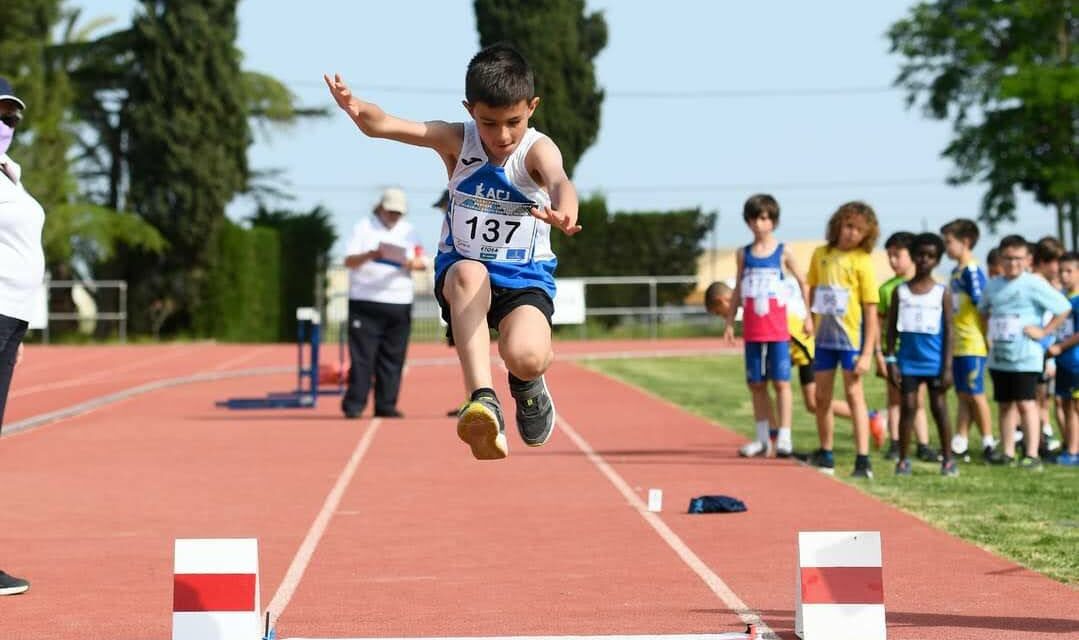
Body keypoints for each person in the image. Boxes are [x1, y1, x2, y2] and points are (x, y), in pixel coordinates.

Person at [326, 43, 581, 460]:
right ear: (469, 109)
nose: (501, 136)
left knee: (528, 357)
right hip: (465, 272)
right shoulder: (456, 140)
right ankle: (482, 398)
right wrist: (355, 107)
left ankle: (526, 384)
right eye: (488, 123)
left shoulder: (537, 149)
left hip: (524, 278)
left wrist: (565, 212)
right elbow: (385, 125)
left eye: (513, 122)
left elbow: (559, 181)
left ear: (532, 107)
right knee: (469, 273)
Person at [722, 194, 810, 458]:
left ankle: (785, 436)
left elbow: (804, 282)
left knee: (781, 382)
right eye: (754, 219)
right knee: (756, 384)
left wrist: (808, 316)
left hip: (778, 330)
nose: (759, 224)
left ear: (773, 221)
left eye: (764, 218)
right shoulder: (743, 254)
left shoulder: (784, 252)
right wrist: (729, 321)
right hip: (752, 329)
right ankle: (762, 439)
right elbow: (738, 287)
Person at [706, 280, 853, 431]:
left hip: (799, 343)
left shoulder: (749, 295)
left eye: (718, 312)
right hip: (784, 346)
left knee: (813, 402)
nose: (722, 316)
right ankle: (773, 432)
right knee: (759, 385)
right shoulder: (745, 300)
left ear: (721, 300)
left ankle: (866, 417)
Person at [979, 235, 1070, 470]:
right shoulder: (993, 285)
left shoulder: (1034, 284)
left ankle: (1032, 453)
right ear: (1000, 258)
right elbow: (983, 310)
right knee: (1005, 404)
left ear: (1028, 259)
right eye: (1007, 258)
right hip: (1000, 356)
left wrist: (1044, 332)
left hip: (1026, 356)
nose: (1012, 263)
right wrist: (987, 335)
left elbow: (1063, 308)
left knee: (1026, 403)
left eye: (1018, 258)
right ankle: (1008, 451)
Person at [0, 77, 41, 596]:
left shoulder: (11, 174)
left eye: (11, 117)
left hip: (10, 320)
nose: (6, 124)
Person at [804, 201, 880, 478]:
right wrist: (808, 318)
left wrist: (867, 352)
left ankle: (863, 459)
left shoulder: (862, 262)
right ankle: (826, 453)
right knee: (821, 396)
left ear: (866, 235)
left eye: (859, 230)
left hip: (851, 339)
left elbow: (871, 309)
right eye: (848, 226)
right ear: (838, 224)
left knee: (854, 395)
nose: (851, 234)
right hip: (824, 339)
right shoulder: (820, 254)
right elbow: (812, 291)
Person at [340, 187, 426, 419]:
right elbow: (348, 260)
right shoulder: (363, 227)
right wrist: (372, 254)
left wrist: (410, 263)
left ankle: (386, 404)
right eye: (390, 212)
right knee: (362, 357)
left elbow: (422, 261)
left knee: (393, 357)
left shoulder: (409, 231)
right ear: (380, 208)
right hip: (365, 300)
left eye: (398, 213)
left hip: (398, 300)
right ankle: (354, 405)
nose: (394, 216)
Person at [884, 233, 957, 476]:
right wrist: (891, 360)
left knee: (939, 408)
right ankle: (903, 459)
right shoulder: (901, 291)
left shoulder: (941, 292)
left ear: (937, 260)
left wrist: (947, 367)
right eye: (920, 255)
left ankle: (947, 459)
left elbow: (949, 331)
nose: (924, 260)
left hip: (935, 362)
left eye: (931, 256)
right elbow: (891, 329)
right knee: (908, 408)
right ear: (913, 256)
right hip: (908, 362)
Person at [875, 231, 934, 462]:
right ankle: (896, 442)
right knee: (895, 399)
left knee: (917, 400)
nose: (892, 261)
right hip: (894, 352)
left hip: (917, 351)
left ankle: (923, 443)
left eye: (897, 255)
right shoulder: (886, 289)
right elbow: (879, 324)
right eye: (889, 256)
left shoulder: (925, 287)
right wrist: (880, 354)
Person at [940, 218, 995, 462]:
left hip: (973, 342)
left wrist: (987, 336)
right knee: (962, 393)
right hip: (958, 342)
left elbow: (983, 308)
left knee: (976, 393)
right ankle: (960, 441)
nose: (946, 247)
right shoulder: (955, 271)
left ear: (966, 241)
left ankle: (988, 441)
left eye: (948, 242)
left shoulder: (972, 271)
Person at [1031, 236, 1065, 455]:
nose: (1058, 268)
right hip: (1039, 351)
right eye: (1056, 262)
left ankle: (1042, 437)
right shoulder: (1038, 284)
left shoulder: (1045, 284)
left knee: (1041, 400)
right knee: (1036, 400)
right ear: (1043, 261)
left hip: (1045, 351)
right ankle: (1040, 440)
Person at [1048, 251, 1079, 465]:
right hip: (1063, 363)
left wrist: (1060, 347)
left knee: (1075, 406)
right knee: (1065, 404)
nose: (1064, 276)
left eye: (1069, 271)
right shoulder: (1062, 299)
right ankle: (1069, 446)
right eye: (1061, 271)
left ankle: (1073, 451)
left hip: (1076, 362)